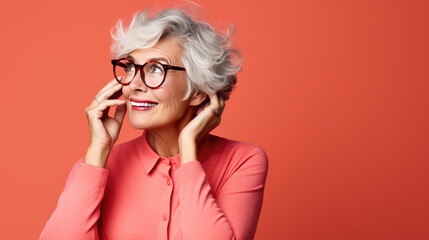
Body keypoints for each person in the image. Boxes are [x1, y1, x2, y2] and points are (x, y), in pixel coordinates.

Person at [39, 7, 268, 240]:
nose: (135, 84)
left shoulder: (242, 160)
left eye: (156, 69)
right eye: (130, 67)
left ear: (199, 90)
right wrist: (99, 149)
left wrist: (188, 149)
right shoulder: (97, 165)